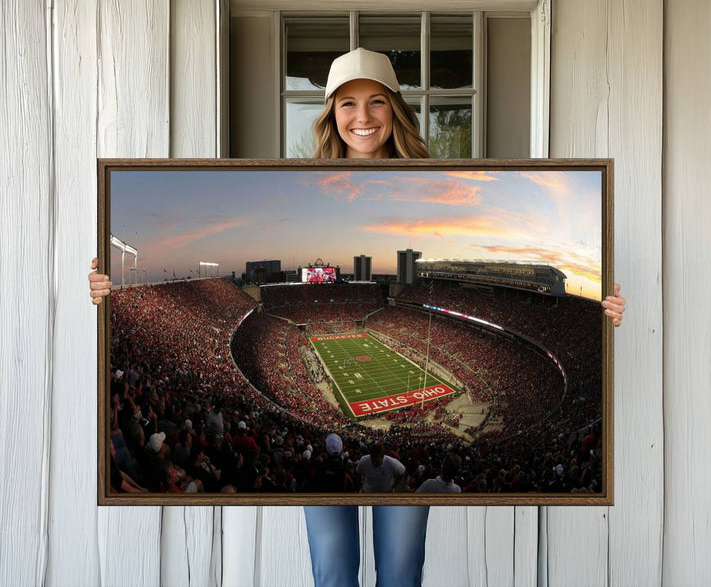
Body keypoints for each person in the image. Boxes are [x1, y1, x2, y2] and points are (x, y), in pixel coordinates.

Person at [88, 47, 627, 587]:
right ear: (330, 113)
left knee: (399, 570)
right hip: (332, 464)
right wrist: (110, 288)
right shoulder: (301, 180)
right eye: (347, 103)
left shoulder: (434, 182)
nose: (362, 117)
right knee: (333, 569)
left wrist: (603, 310)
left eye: (376, 102)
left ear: (395, 108)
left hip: (390, 357)